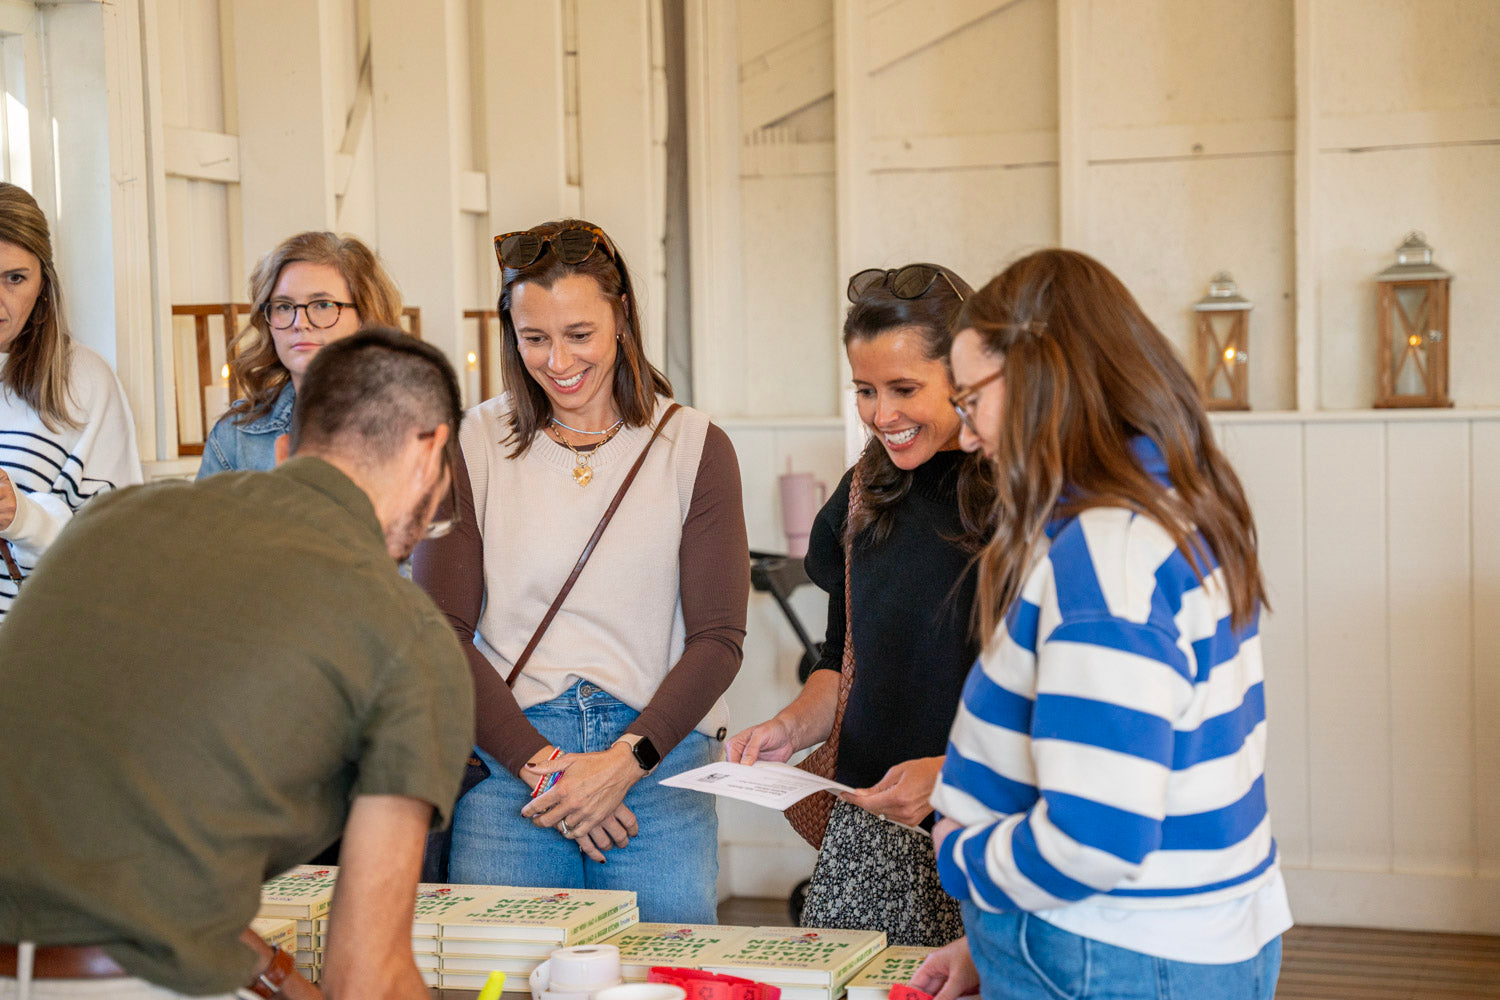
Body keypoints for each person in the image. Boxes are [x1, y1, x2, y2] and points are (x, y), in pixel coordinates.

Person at [0, 329, 474, 1000]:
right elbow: (368, 978)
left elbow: (128, 838)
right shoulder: (408, 633)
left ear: (285, 454)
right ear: (430, 453)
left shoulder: (118, 518)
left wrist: (280, 977)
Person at [931, 249, 1291, 1000]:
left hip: (1111, 950)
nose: (966, 435)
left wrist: (966, 862)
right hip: (1152, 935)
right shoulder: (1178, 509)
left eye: (969, 400)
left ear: (1039, 376)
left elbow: (1098, 835)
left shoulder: (1106, 553)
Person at [414, 219, 749, 924]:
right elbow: (439, 632)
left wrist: (623, 764)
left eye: (579, 334)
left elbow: (718, 640)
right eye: (534, 338)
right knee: (500, 970)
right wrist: (549, 771)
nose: (558, 360)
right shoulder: (470, 442)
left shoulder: (694, 446)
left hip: (657, 757)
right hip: (510, 758)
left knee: (663, 970)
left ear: (621, 316)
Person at [728, 263, 990, 946]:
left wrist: (953, 776)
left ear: (966, 375)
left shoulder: (1021, 499)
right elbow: (843, 660)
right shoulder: (861, 493)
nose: (882, 416)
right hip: (869, 831)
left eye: (905, 389)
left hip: (985, 823)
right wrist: (790, 727)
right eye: (865, 391)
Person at [0, 181, 141, 621]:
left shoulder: (81, 381)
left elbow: (116, 545)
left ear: (43, 284)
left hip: (29, 645)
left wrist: (21, 516)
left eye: (15, 278)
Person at [197, 231, 403, 478]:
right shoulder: (237, 435)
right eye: (284, 306)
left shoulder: (411, 424)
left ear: (365, 317)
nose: (299, 323)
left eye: (322, 305)